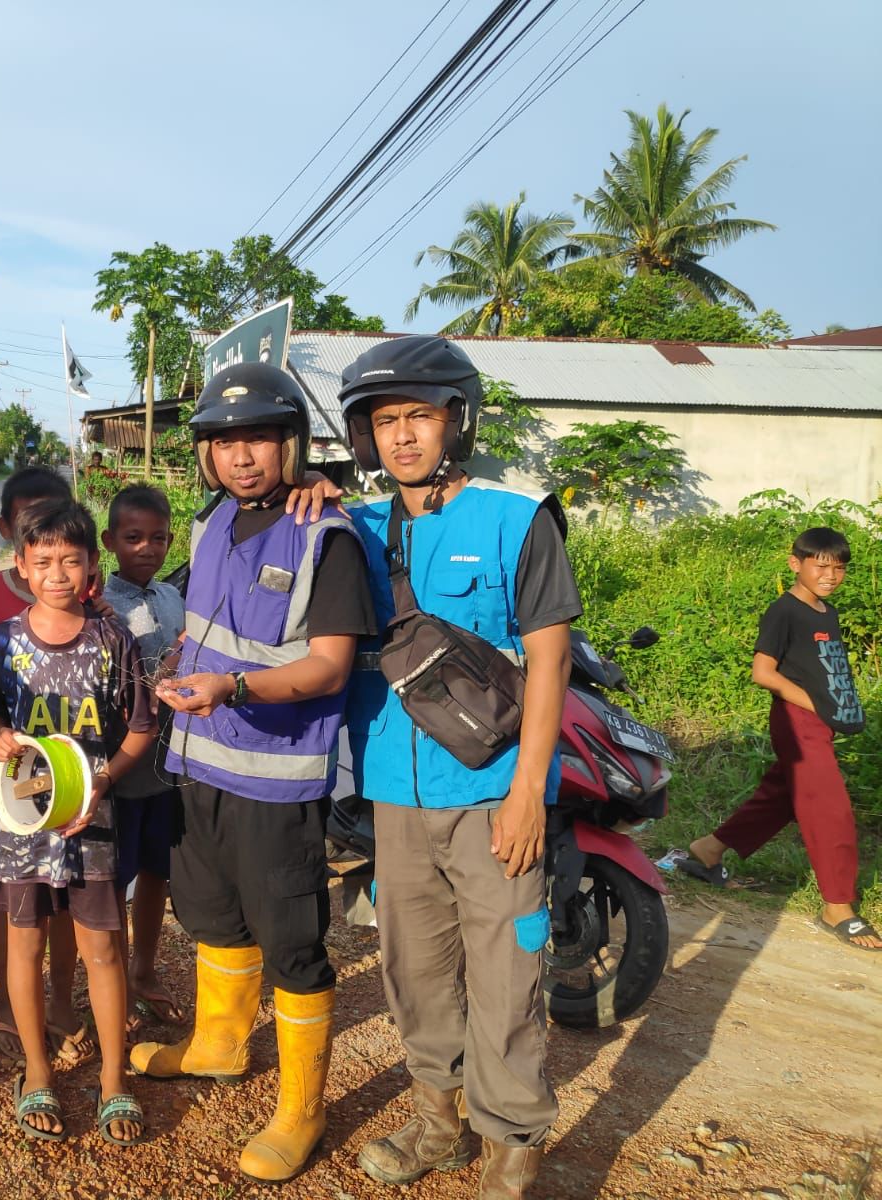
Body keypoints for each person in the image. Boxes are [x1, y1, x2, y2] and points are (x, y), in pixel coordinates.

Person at [338, 335, 581, 1200]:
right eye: (384, 421)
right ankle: (438, 1120)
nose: (402, 436)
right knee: (416, 967)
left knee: (508, 968)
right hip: (396, 797)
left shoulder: (518, 520)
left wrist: (527, 796)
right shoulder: (355, 529)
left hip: (492, 794)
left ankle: (513, 1140)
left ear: (455, 421)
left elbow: (549, 664)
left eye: (419, 417)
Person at [136, 362, 377, 1184]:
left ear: (292, 446)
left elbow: (330, 668)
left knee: (293, 943)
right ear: (204, 454)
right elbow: (204, 629)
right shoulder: (209, 525)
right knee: (210, 914)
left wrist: (233, 686)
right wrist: (175, 667)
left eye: (260, 440)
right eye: (224, 442)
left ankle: (304, 1106)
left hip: (277, 778)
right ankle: (218, 1044)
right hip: (195, 761)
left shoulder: (326, 533)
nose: (241, 457)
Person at [0, 498, 156, 1144]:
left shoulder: (113, 640)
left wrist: (102, 782)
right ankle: (37, 1070)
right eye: (43, 560)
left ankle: (113, 1080)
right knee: (23, 943)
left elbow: (140, 730)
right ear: (21, 565)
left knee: (104, 949)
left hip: (94, 822)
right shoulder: (4, 641)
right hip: (23, 823)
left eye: (70, 561)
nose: (56, 573)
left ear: (91, 567)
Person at [674, 527, 876, 950]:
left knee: (782, 795)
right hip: (796, 721)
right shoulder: (784, 611)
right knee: (831, 808)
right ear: (795, 564)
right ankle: (837, 905)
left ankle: (707, 850)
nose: (830, 575)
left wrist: (834, 713)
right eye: (820, 565)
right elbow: (763, 673)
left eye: (839, 568)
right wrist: (816, 707)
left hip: (818, 722)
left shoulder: (827, 612)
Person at [0, 466, 96, 1063]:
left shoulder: (90, 597)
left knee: (68, 898)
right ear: (11, 541)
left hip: (74, 789)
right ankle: (6, 996)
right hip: (10, 788)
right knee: (7, 898)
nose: (54, 564)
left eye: (64, 547)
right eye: (31, 531)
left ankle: (62, 1000)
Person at [100, 484, 187, 1028]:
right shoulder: (99, 604)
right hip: (122, 766)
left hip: (171, 765)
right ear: (110, 541)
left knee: (159, 872)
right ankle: (107, 981)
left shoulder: (173, 598)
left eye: (157, 538)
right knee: (111, 881)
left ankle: (143, 968)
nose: (146, 549)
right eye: (133, 538)